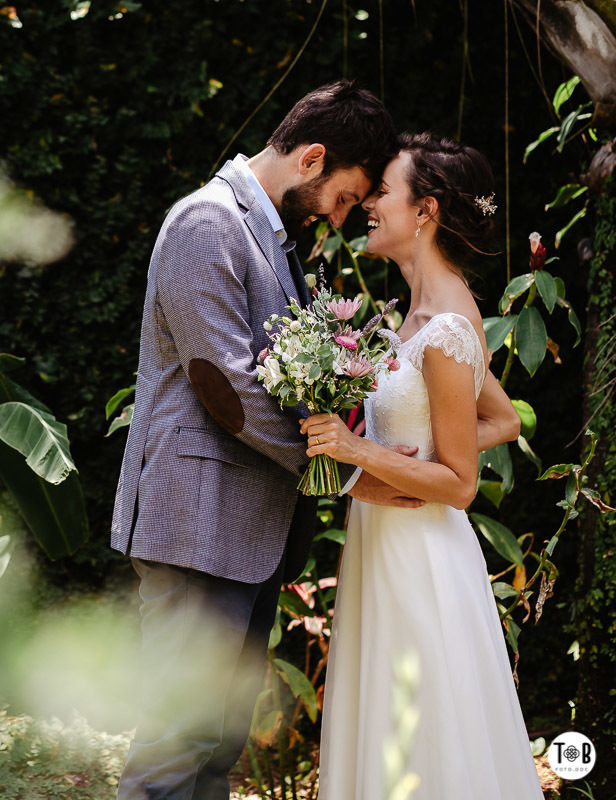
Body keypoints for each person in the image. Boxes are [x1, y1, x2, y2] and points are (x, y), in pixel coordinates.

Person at [110, 82, 521, 800]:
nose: (343, 215)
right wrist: (356, 471)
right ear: (312, 160)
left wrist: (368, 451)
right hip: (196, 526)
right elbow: (225, 387)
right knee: (177, 741)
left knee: (215, 744)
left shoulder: (275, 240)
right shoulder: (207, 223)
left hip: (249, 535)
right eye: (344, 196)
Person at [302, 132, 540, 799]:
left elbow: (460, 485)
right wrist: (395, 465)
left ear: (425, 210)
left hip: (420, 557)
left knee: (421, 736)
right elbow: (504, 420)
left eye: (384, 192)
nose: (371, 205)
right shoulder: (424, 317)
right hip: (384, 543)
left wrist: (356, 452)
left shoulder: (448, 328)